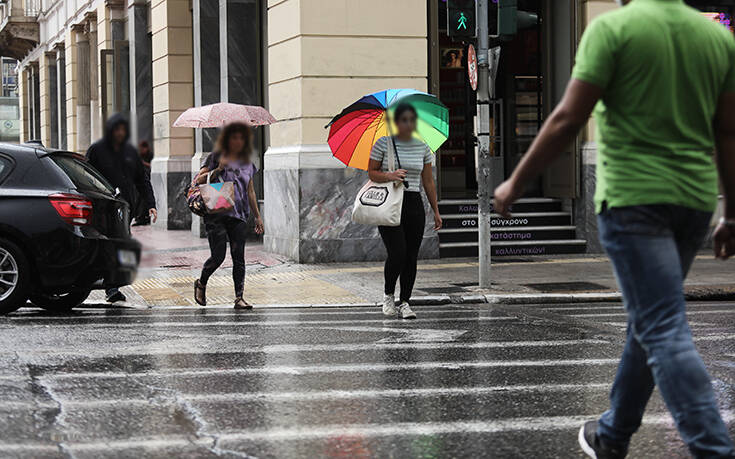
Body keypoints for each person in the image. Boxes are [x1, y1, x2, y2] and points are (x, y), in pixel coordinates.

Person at [493, 0, 735, 457]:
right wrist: (732, 213)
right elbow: (728, 132)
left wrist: (515, 184)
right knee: (648, 320)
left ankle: (713, 447)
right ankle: (612, 435)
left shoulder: (614, 29)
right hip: (694, 202)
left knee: (662, 326)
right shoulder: (717, 37)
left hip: (634, 200)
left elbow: (568, 118)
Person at [368, 104, 442, 320]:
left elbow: (428, 181)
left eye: (412, 120)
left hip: (413, 204)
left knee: (411, 256)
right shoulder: (383, 144)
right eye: (404, 120)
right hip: (391, 203)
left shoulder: (422, 147)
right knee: (397, 253)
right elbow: (371, 172)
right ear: (396, 122)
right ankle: (388, 295)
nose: (408, 124)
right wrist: (390, 175)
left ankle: (405, 302)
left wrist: (436, 211)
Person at [86, 113, 157, 304]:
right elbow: (86, 177)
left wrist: (151, 204)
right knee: (110, 246)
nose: (120, 133)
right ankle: (111, 287)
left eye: (123, 130)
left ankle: (113, 283)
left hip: (126, 209)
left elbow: (142, 180)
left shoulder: (130, 152)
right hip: (104, 207)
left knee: (121, 244)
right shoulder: (97, 150)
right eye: (116, 129)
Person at [193, 122, 264, 310]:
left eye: (242, 138)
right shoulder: (216, 156)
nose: (238, 141)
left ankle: (239, 297)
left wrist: (257, 217)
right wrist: (218, 169)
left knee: (238, 257)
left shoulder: (247, 162)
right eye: (234, 137)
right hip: (217, 214)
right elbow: (198, 180)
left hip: (239, 215)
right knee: (218, 257)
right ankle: (201, 282)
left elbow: (250, 192)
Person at [132, 140, 154, 226]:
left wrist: (143, 163)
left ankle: (143, 217)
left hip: (147, 177)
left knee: (143, 200)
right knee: (138, 199)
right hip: (139, 180)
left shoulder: (150, 155)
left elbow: (151, 165)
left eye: (143, 149)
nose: (141, 150)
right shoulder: (139, 156)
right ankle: (138, 217)